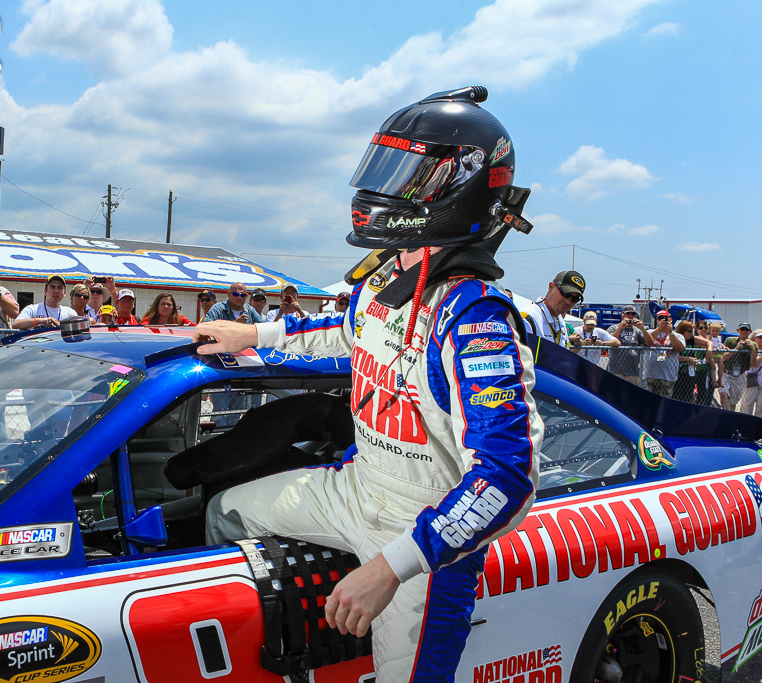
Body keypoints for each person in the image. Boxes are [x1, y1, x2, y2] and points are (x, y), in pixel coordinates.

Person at [195, 87, 542, 682]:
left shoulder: (474, 318)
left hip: (426, 534)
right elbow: (343, 329)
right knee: (226, 512)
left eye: (404, 170)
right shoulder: (392, 278)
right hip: (358, 488)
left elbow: (506, 477)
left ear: (454, 186)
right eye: (384, 165)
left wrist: (391, 567)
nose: (382, 187)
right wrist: (253, 332)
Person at [520, 270, 584, 347]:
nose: (568, 301)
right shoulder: (529, 318)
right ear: (551, 287)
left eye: (575, 299)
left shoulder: (561, 324)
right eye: (565, 293)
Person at [606, 305, 652, 384]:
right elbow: (611, 341)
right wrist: (621, 327)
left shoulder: (637, 330)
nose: (631, 316)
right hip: (616, 371)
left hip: (633, 372)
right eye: (628, 314)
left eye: (633, 314)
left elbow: (650, 343)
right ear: (622, 315)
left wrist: (643, 329)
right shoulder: (613, 328)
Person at [14, 276, 78, 330]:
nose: (56, 291)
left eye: (60, 287)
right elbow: (16, 325)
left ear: (64, 293)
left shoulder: (70, 312)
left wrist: (74, 322)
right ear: (45, 291)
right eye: (52, 287)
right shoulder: (32, 309)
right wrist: (41, 321)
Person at [643, 310, 683, 398]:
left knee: (664, 401)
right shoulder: (649, 332)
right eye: (660, 318)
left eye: (665, 318)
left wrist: (670, 332)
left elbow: (679, 348)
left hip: (668, 376)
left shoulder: (678, 335)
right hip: (649, 375)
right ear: (657, 320)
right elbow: (646, 342)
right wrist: (659, 329)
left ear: (671, 319)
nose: (663, 321)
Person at [673, 320, 713, 404]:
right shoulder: (675, 339)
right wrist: (687, 359)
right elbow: (671, 357)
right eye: (689, 331)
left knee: (687, 397)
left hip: (689, 373)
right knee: (676, 397)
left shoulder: (691, 339)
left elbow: (709, 342)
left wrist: (709, 350)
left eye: (692, 331)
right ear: (682, 331)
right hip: (677, 373)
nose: (691, 333)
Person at [722, 323, 759, 411]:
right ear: (738, 330)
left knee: (733, 402)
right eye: (742, 329)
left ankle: (731, 416)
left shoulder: (753, 344)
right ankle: (725, 414)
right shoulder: (730, 340)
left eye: (746, 330)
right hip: (726, 373)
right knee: (723, 395)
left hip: (740, 375)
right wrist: (737, 347)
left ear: (750, 332)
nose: (744, 331)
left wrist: (752, 349)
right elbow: (723, 357)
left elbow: (753, 365)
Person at [741, 330, 762, 416]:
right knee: (747, 406)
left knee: (760, 409)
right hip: (751, 382)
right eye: (760, 337)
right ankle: (745, 426)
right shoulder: (747, 349)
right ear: (754, 338)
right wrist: (753, 349)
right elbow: (754, 364)